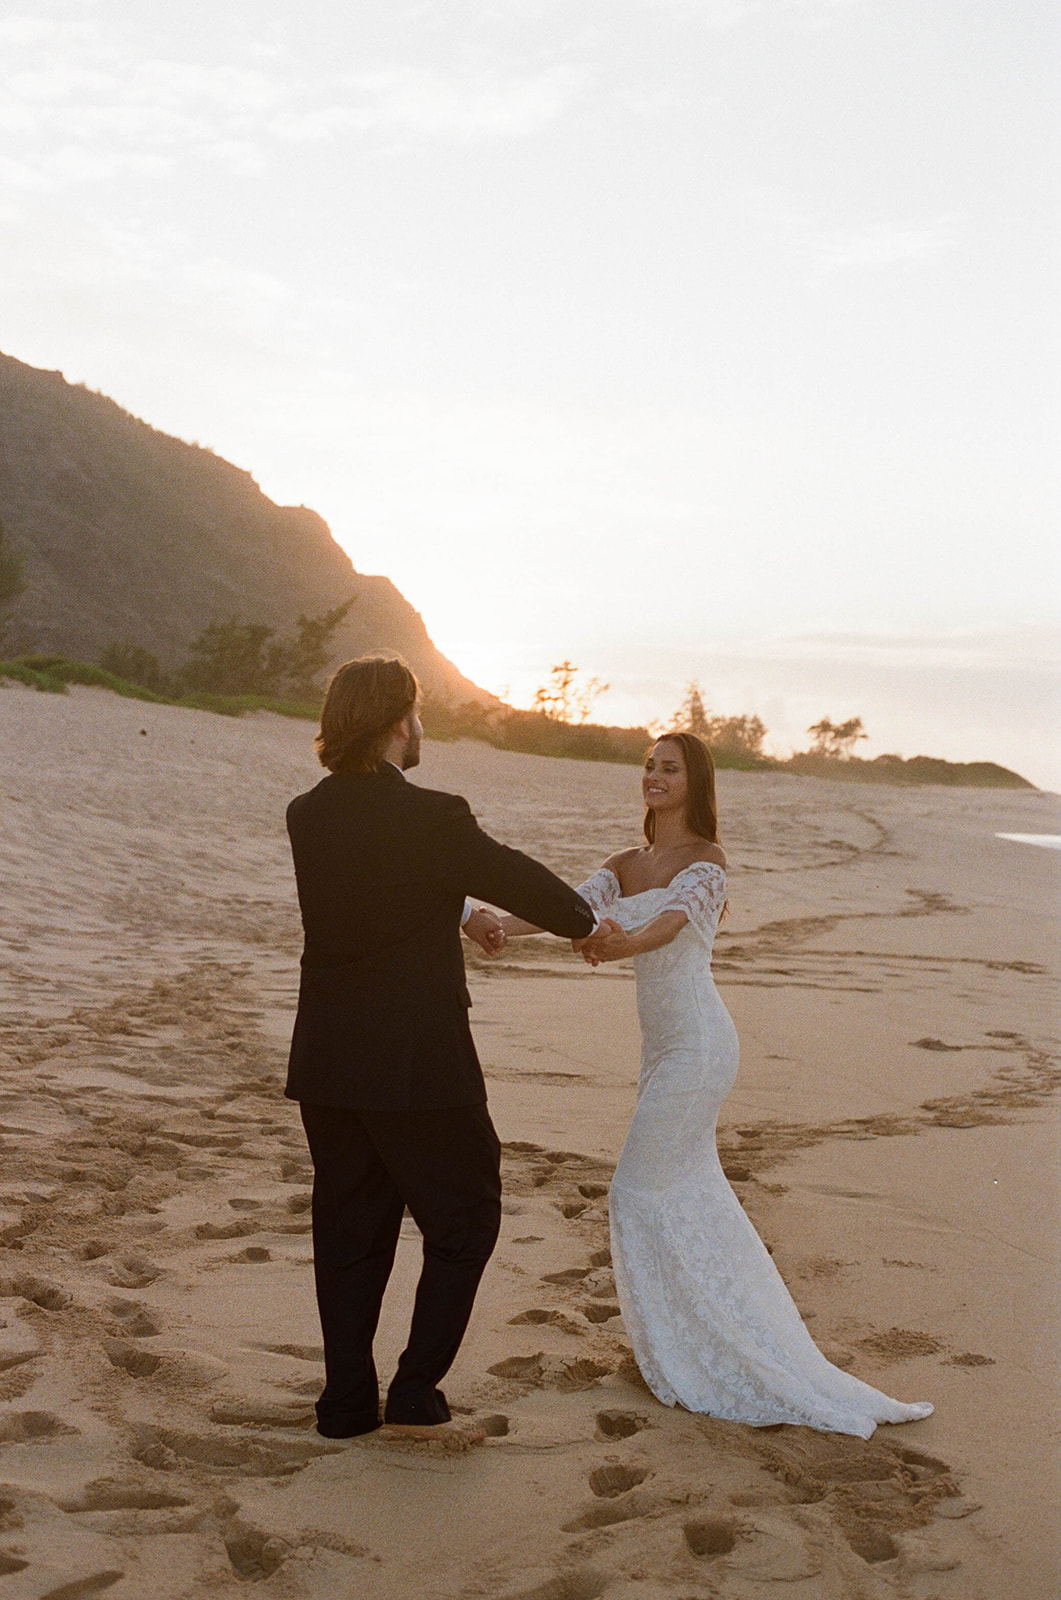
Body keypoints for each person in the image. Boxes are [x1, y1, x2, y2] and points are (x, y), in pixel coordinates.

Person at [501, 731, 933, 1438]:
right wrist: (494, 925)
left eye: (668, 769)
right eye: (647, 766)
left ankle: (690, 1347)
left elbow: (667, 929)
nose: (653, 777)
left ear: (694, 782)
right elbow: (563, 909)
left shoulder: (706, 863)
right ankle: (702, 1336)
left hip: (700, 1048)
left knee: (635, 1190)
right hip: (661, 1051)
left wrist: (618, 943)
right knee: (689, 1192)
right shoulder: (623, 863)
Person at [285, 655, 598, 1445]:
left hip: (328, 1056)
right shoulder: (435, 817)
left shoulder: (307, 814)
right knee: (467, 1217)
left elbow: (386, 877)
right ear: (399, 721)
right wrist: (583, 921)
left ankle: (345, 1403)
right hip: (419, 1059)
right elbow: (522, 882)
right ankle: (416, 1387)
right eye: (416, 715)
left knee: (350, 1228)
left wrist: (460, 911)